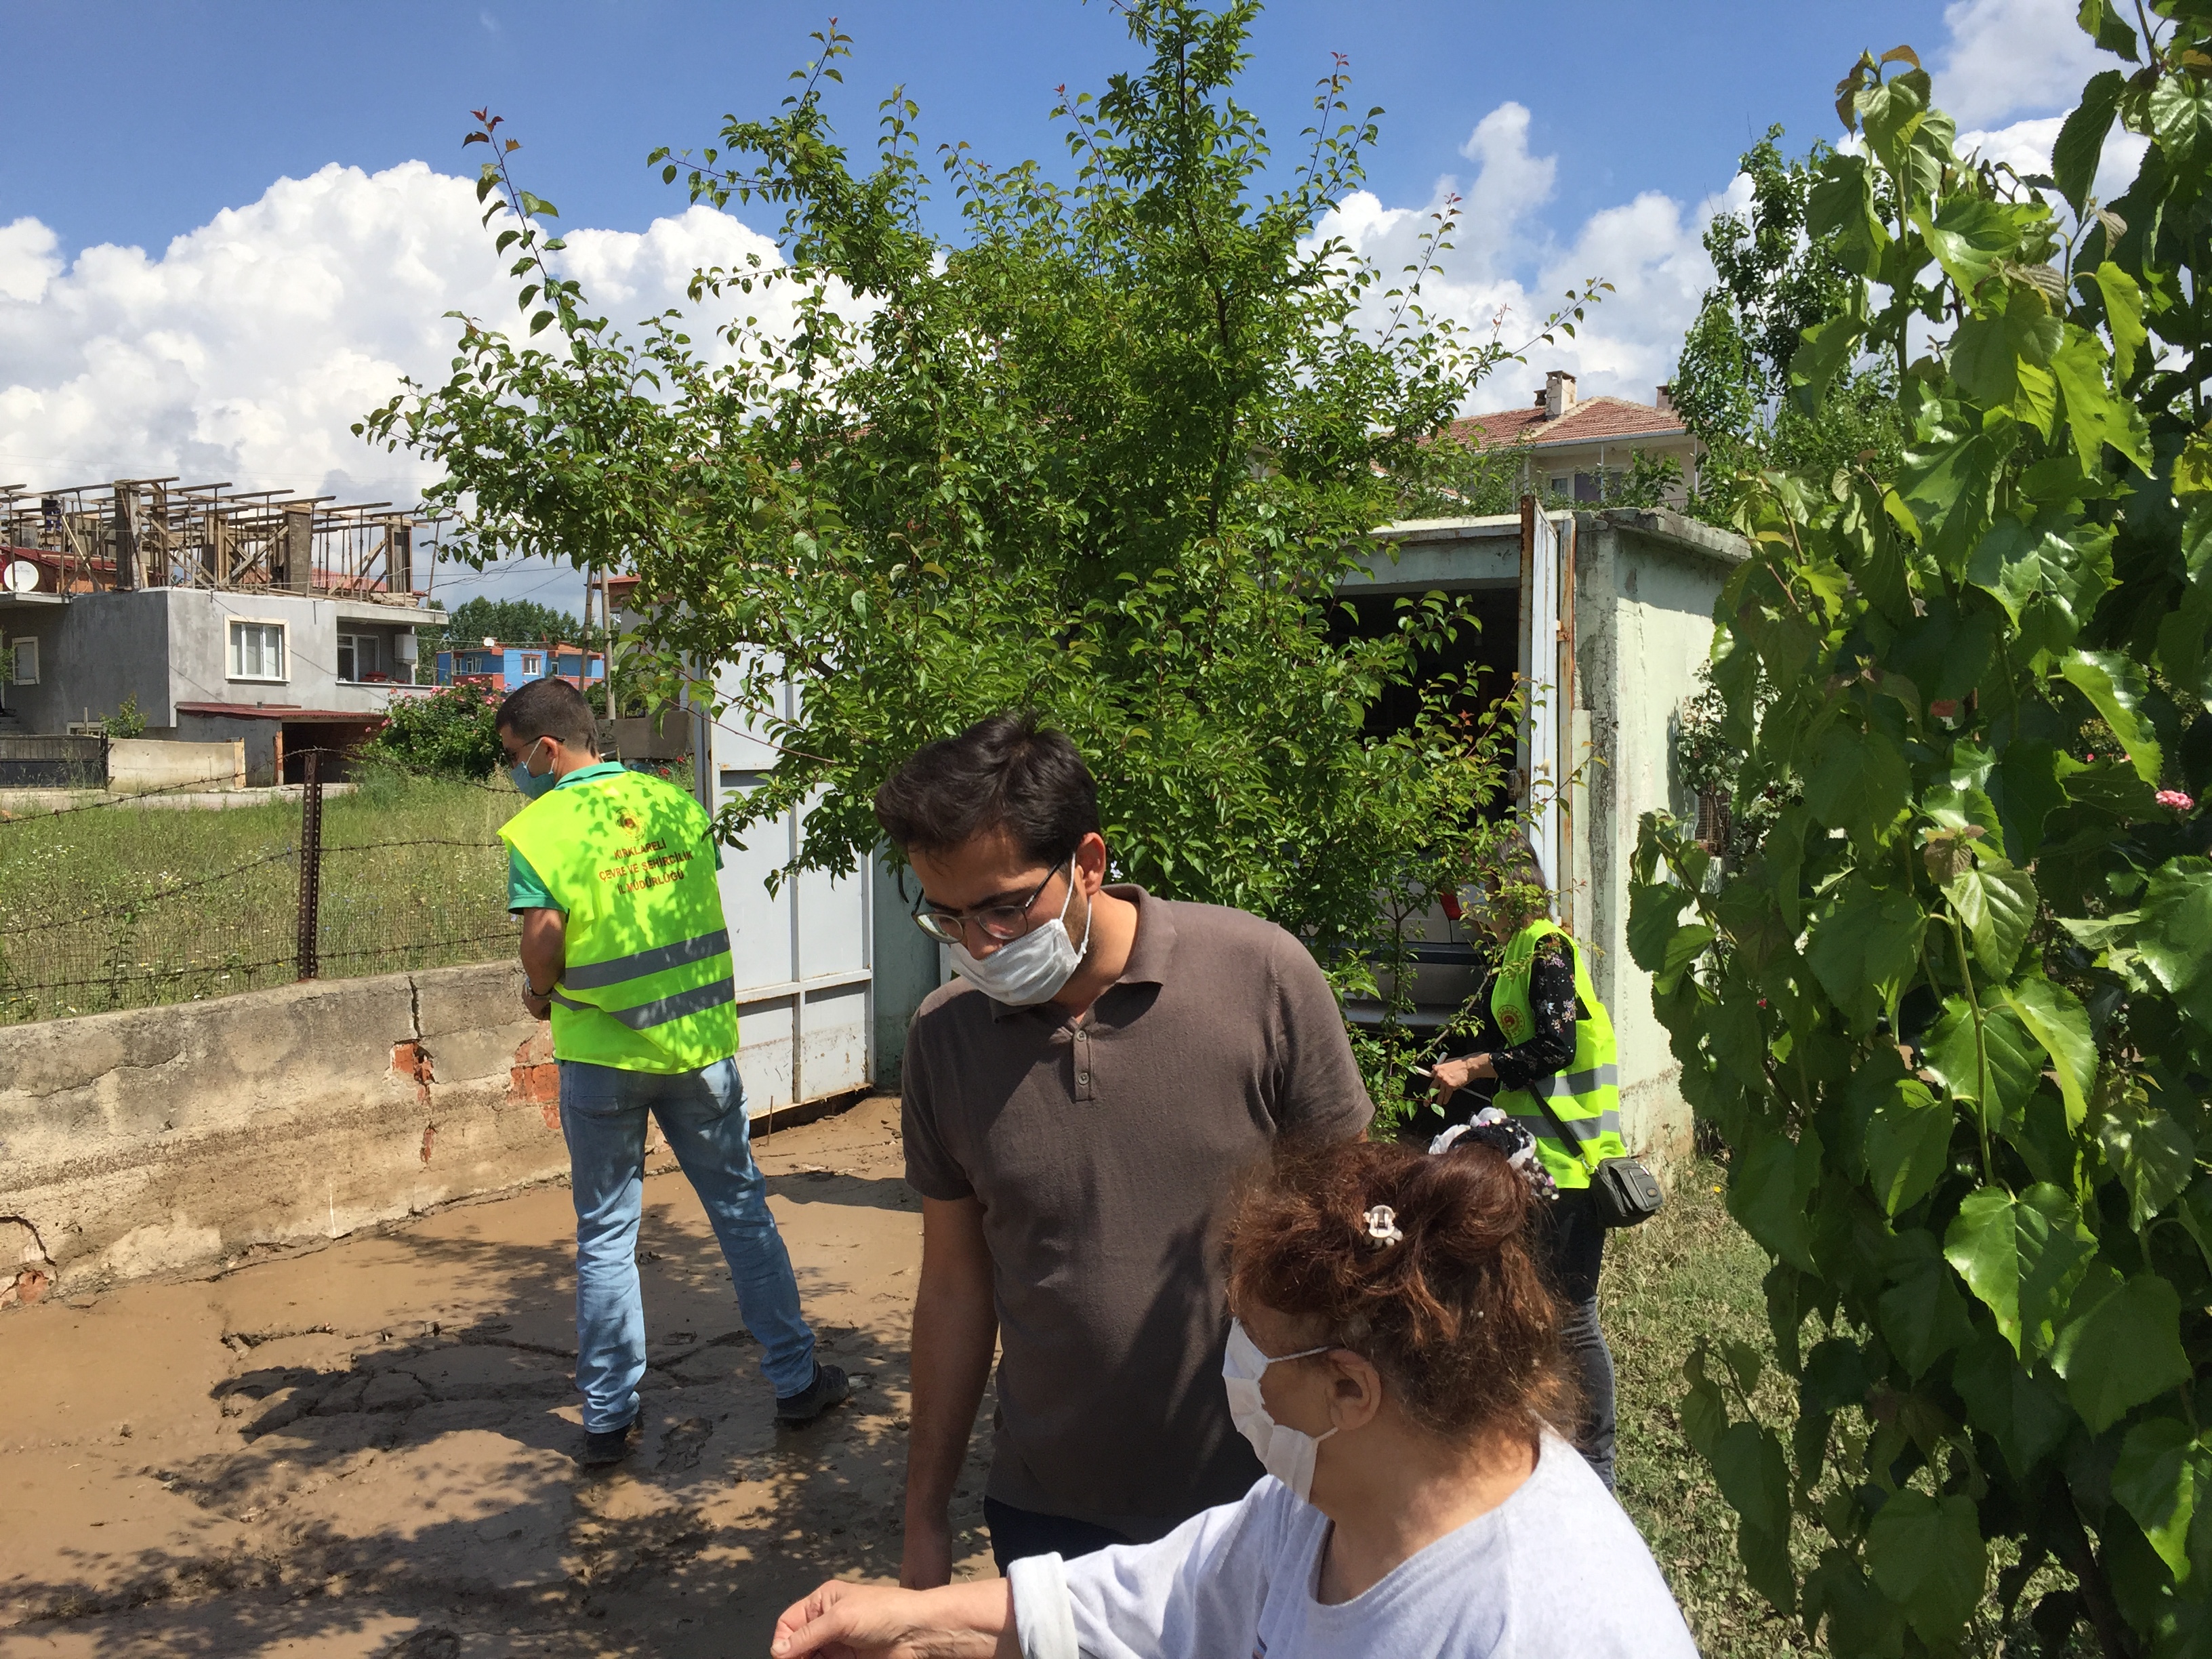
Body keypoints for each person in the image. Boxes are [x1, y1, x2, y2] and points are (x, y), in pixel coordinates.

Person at [769, 1133, 1698, 1659]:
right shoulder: (1324, 1508)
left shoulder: (1550, 1626)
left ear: (1347, 1387)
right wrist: (907, 1622)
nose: (1233, 1368)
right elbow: (1151, 1600)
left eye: (1253, 1344)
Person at [876, 713, 1373, 1584]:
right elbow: (955, 1287)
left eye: (1004, 906)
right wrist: (924, 1518)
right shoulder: (944, 1042)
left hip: (1263, 1500)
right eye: (949, 918)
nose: (982, 944)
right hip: (1046, 1513)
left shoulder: (1259, 978)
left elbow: (1359, 1235)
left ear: (1089, 864)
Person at [494, 676, 848, 1466]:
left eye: (516, 757)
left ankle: (607, 1422)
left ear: (548, 750)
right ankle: (796, 1383)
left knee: (607, 1238)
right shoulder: (674, 803)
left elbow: (544, 936)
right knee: (742, 1213)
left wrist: (535, 992)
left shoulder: (541, 828)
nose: (515, 771)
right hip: (698, 1051)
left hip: (601, 1059)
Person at [1425, 836, 1626, 1489]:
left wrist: (1472, 1066)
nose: (1469, 908)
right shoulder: (1512, 958)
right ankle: (1546, 1438)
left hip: (1573, 1166)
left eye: (1477, 891)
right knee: (1534, 1302)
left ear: (1507, 889)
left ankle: (1598, 1463)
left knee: (1572, 1312)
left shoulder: (1546, 949)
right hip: (1537, 1165)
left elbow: (1555, 1046)